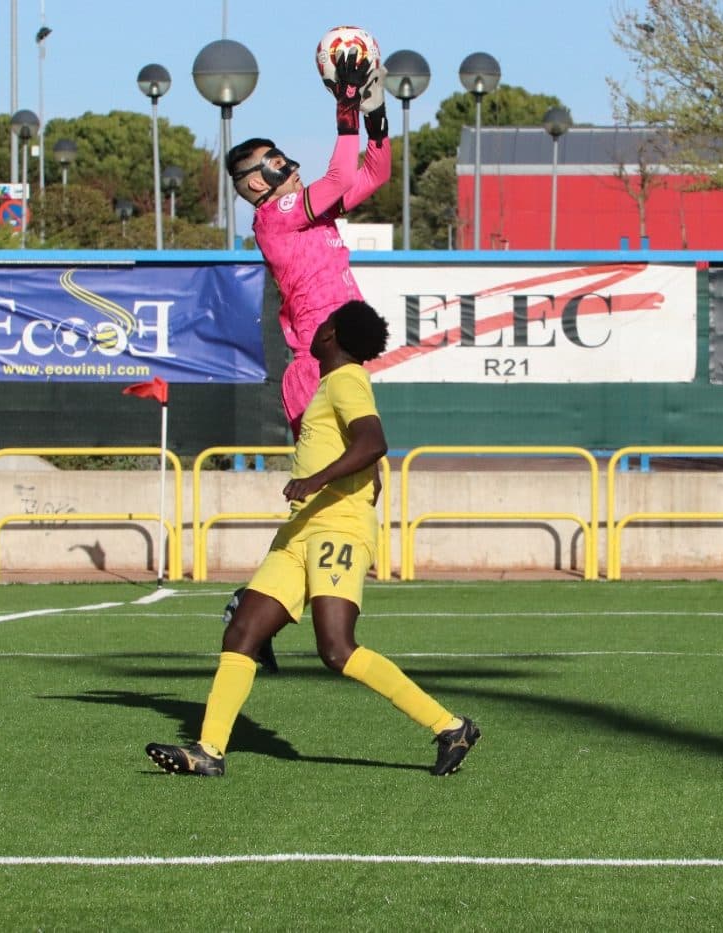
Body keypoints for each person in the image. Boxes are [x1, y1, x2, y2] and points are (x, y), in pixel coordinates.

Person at [145, 301, 480, 778]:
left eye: (323, 324)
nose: (315, 328)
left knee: (337, 649)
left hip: (335, 529)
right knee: (242, 631)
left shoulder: (347, 380)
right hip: (301, 530)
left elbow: (373, 442)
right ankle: (208, 751)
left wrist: (317, 479)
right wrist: (354, 481)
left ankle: (451, 727)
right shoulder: (330, 386)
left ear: (333, 336)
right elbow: (364, 458)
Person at [225, 48, 391, 675]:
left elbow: (369, 176)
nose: (277, 166)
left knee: (349, 489)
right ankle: (264, 611)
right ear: (256, 185)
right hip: (314, 369)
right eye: (266, 164)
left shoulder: (299, 214)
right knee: (340, 488)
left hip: (338, 364)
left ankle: (254, 610)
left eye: (275, 157)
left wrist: (372, 118)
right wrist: (346, 109)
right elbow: (339, 176)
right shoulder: (278, 217)